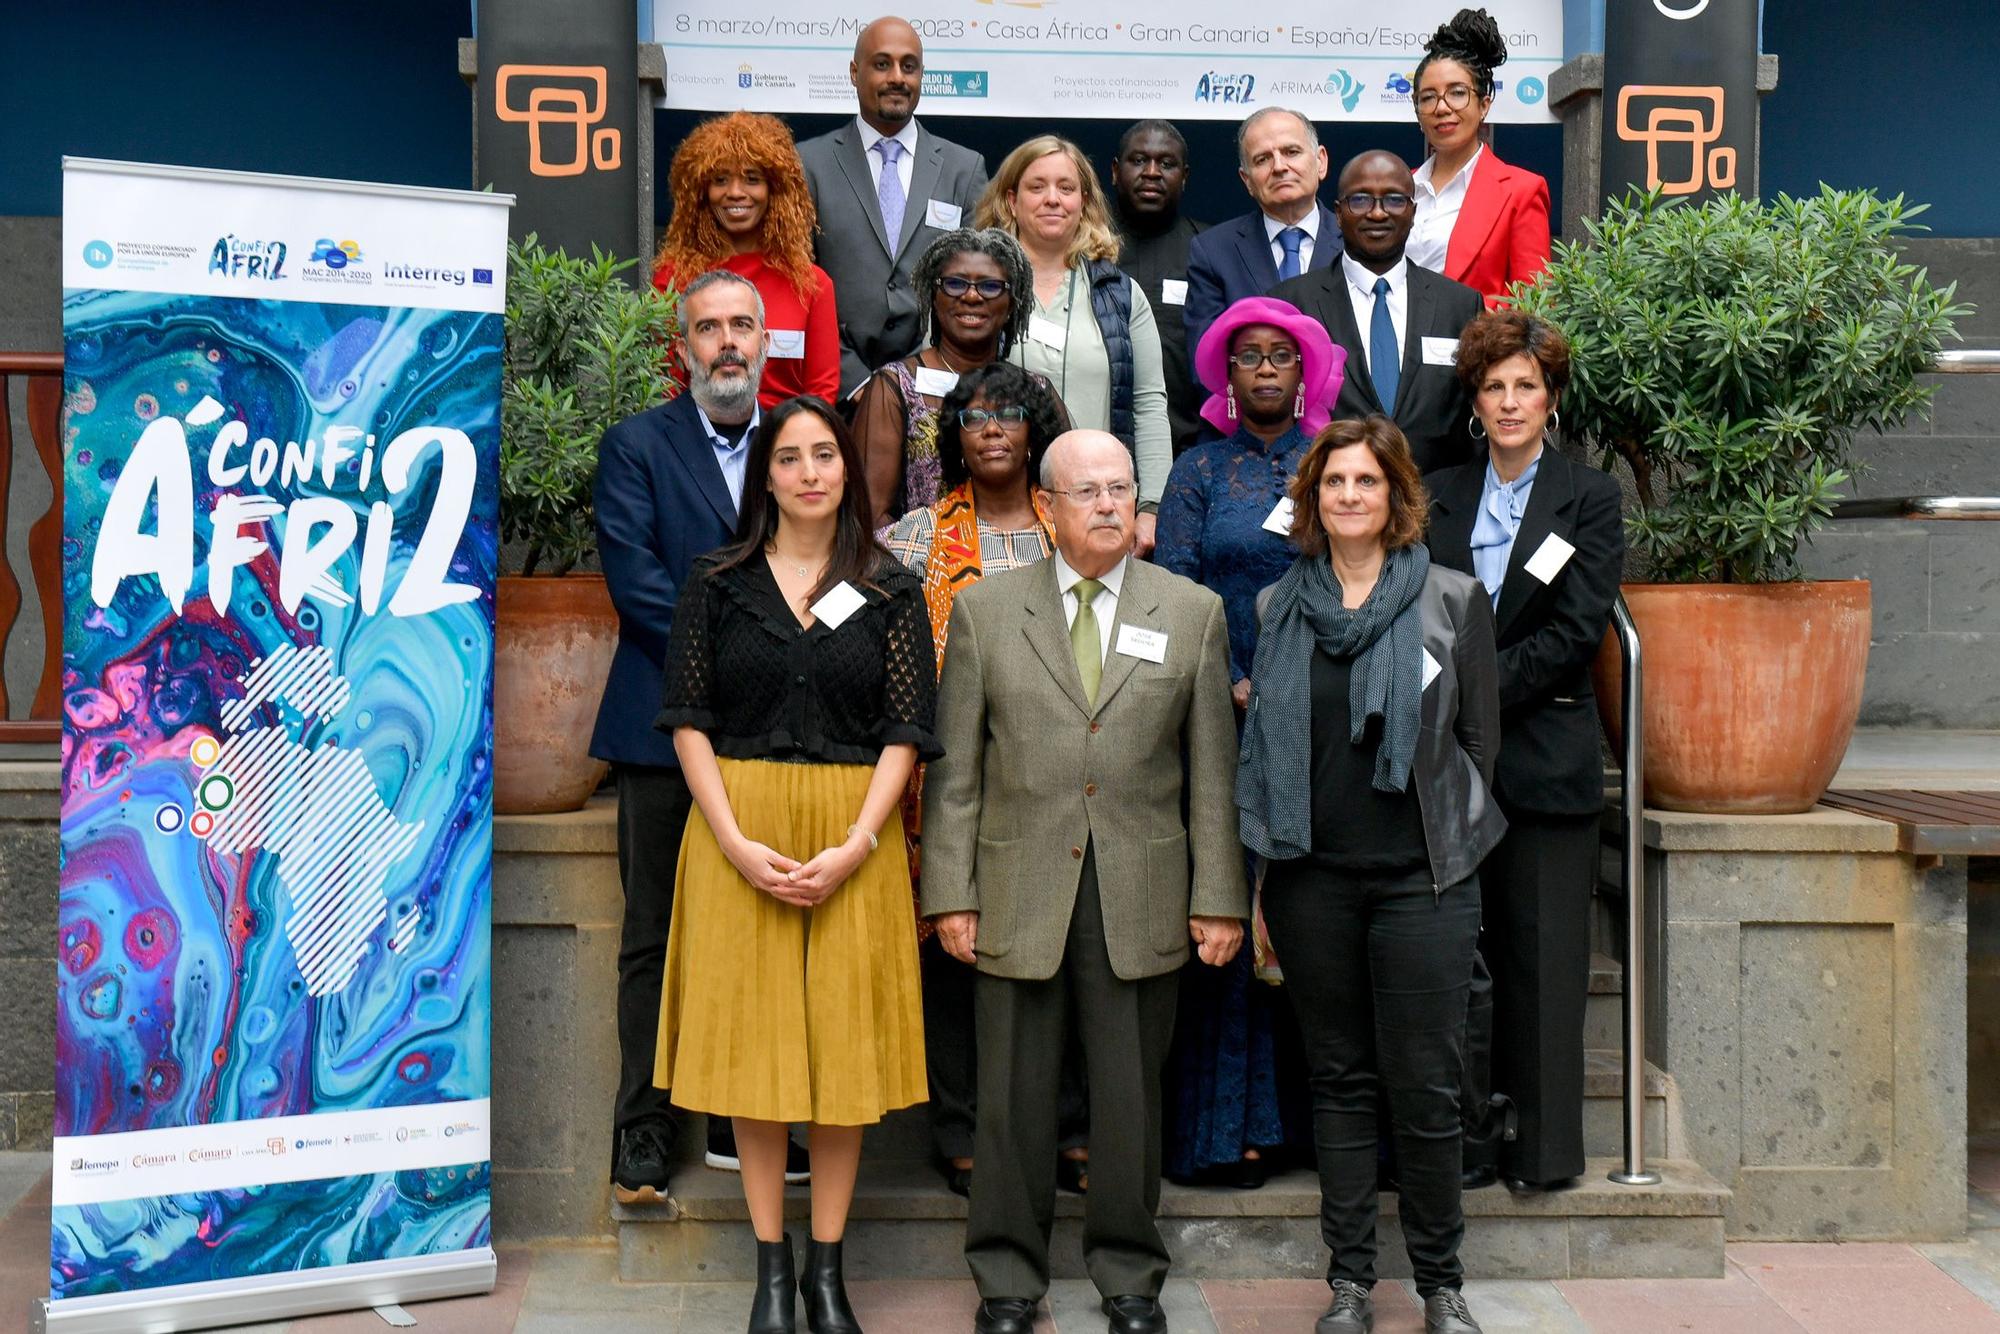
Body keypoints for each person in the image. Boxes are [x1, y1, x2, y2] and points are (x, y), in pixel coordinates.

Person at [923, 430, 1246, 1334]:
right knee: (1013, 1101)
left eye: (1120, 489)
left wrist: (1219, 897)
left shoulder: (1193, 612)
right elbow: (957, 776)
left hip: (1140, 888)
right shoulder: (988, 612)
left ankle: (1131, 1277)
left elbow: (1214, 772)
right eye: (1086, 493)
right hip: (1018, 886)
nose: (1107, 506)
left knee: (1129, 1099)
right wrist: (949, 892)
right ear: (1049, 507)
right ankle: (1008, 1280)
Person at [654, 395, 940, 1334]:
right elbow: (688, 719)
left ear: (848, 473)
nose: (812, 471)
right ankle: (770, 1272)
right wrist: (733, 840)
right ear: (765, 476)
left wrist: (861, 843)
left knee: (843, 1059)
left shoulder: (893, 587)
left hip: (852, 832)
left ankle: (827, 1269)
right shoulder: (717, 582)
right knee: (756, 1055)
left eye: (827, 455)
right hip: (737, 829)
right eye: (791, 457)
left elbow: (907, 731)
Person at [1238, 415, 1504, 1334]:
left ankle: (1441, 1284)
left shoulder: (1453, 600)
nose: (1350, 496)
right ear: (1313, 499)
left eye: (1368, 482)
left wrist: (1450, 851)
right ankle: (1350, 1283)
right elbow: (1264, 743)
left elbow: (1478, 747)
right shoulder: (1278, 608)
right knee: (1340, 1081)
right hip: (1312, 879)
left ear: (1397, 498)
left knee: (1426, 1084)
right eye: (1334, 483)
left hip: (1422, 881)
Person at [589, 270, 807, 1200]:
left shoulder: (804, 443)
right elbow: (634, 581)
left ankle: (742, 1114)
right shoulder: (636, 444)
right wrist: (736, 656)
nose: (727, 342)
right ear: (681, 347)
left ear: (766, 342)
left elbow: (828, 559)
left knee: (756, 931)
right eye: (708, 327)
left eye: (742, 326)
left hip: (777, 732)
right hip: (659, 726)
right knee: (653, 936)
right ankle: (643, 1126)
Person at [1425, 311, 1622, 1193]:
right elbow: (1416, 610)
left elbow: (1578, 631)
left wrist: (1477, 687)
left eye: (1526, 387)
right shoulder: (1438, 493)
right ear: (1475, 400)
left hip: (1545, 761)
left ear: (1552, 399)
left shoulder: (1588, 498)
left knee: (1543, 967)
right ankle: (1466, 1145)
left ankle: (1543, 1155)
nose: (1510, 402)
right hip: (1449, 766)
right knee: (1458, 965)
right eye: (1495, 386)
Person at [879, 363, 1086, 1198]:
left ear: (1036, 431)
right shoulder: (912, 540)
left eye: (1009, 414)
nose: (993, 427)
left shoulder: (1069, 531)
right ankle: (962, 1127)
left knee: (1066, 953)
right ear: (955, 436)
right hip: (947, 783)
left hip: (1057, 781)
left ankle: (1069, 1127)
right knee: (956, 960)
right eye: (974, 415)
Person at [1154, 297, 1342, 1189]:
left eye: (1280, 356)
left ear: (1305, 372)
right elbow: (1178, 588)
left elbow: (1357, 575)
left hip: (1323, 719)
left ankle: (1309, 1126)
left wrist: (1291, 683)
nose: (1265, 369)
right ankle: (1231, 1133)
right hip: (1220, 722)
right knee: (1229, 914)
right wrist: (1230, 677)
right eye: (1247, 358)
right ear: (1225, 378)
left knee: (1308, 918)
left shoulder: (1332, 464)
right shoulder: (1197, 471)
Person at [976, 137, 1173, 557]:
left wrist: (1152, 505)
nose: (1052, 199)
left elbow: (1149, 403)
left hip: (1098, 510)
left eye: (1066, 188)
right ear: (1011, 200)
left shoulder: (1120, 294)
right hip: (995, 513)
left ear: (1083, 201)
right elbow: (937, 390)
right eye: (1037, 187)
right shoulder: (976, 290)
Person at [799, 17, 991, 399]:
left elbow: (977, 285)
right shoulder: (808, 164)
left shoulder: (963, 169)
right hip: (839, 391)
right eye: (882, 64)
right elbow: (798, 282)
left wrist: (926, 372)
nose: (897, 78)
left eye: (909, 66)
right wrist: (856, 382)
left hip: (937, 389)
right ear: (855, 73)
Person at [1269, 151, 1485, 474]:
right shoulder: (1292, 303)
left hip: (1438, 508)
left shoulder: (1460, 305)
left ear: (1413, 212)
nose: (1378, 213)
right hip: (1332, 506)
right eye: (1360, 200)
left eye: (1395, 200)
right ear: (1339, 214)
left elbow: (1475, 416)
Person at [851, 227, 1035, 529]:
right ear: (933, 297)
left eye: (990, 286)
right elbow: (870, 516)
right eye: (954, 284)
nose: (972, 296)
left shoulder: (1034, 390)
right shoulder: (894, 386)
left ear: (1012, 303)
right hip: (919, 568)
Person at [655, 112, 840, 410]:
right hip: (697, 445)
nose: (735, 193)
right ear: (702, 192)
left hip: (782, 446)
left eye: (752, 179)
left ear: (775, 190)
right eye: (721, 180)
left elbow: (821, 393)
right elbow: (666, 387)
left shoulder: (812, 284)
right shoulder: (672, 279)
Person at [1406, 9, 1552, 307]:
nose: (1442, 107)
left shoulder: (1520, 191)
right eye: (1428, 97)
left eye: (1457, 93)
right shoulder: (1401, 187)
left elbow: (1533, 302)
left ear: (1484, 105)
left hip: (1475, 349)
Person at [1183, 108, 1341, 361]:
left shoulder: (1356, 243)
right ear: (1246, 180)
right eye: (1262, 159)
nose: (1279, 167)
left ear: (1320, 161)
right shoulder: (1213, 252)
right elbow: (1207, 361)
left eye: (1291, 152)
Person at [1110, 120, 1208, 456]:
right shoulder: (1082, 247)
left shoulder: (1208, 251)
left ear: (1185, 177)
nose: (1152, 172)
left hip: (1187, 445)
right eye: (1138, 160)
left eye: (1167, 164)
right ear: (1114, 171)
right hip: (1092, 441)